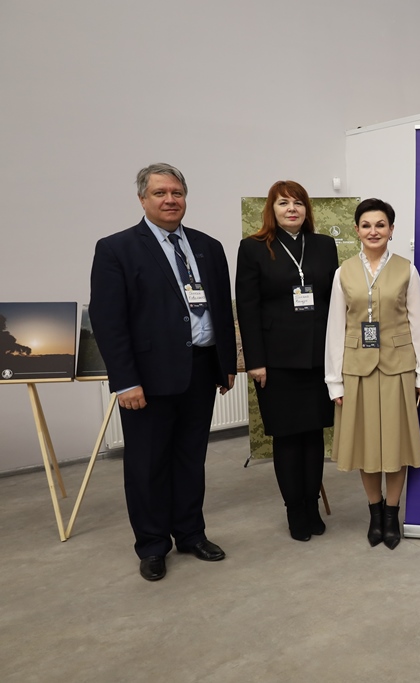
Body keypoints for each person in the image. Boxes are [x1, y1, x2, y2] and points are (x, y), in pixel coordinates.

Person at [89, 163, 237, 581]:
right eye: (160, 193)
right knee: (147, 464)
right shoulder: (116, 249)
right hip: (148, 379)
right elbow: (108, 321)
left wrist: (226, 364)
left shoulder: (208, 246)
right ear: (142, 199)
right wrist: (125, 381)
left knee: (190, 458)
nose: (170, 200)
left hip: (200, 370)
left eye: (177, 193)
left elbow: (221, 309)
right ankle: (153, 545)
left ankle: (190, 533)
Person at [325, 198, 420, 550]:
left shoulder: (407, 270)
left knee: (395, 445)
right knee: (366, 446)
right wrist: (334, 381)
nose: (373, 231)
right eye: (366, 225)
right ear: (357, 230)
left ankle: (392, 515)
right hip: (356, 370)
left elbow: (419, 323)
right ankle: (374, 514)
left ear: (391, 230)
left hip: (397, 368)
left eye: (380, 225)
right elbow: (335, 328)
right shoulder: (343, 272)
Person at [236, 181, 339, 541]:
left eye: (298, 203)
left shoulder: (323, 246)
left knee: (314, 435)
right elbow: (247, 307)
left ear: (307, 209)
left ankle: (312, 505)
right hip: (275, 361)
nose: (291, 209)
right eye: (283, 203)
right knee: (288, 437)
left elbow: (334, 303)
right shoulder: (253, 248)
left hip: (318, 358)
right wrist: (255, 360)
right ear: (272, 209)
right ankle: (295, 510)